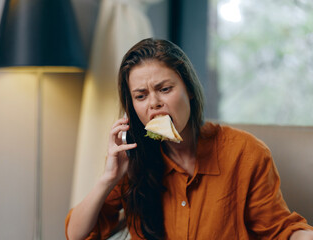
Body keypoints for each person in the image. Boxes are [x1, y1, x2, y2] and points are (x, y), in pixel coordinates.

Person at [65, 38, 313, 240]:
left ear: (190, 90)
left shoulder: (245, 153)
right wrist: (108, 178)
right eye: (141, 96)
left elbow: (280, 230)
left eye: (165, 89)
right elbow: (76, 234)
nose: (154, 104)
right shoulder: (132, 159)